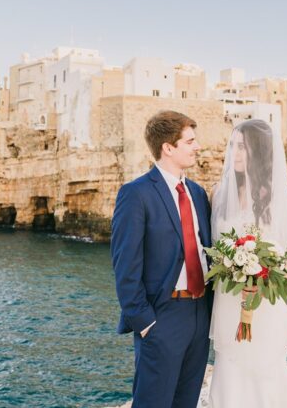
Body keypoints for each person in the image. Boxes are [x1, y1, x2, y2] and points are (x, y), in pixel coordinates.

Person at [208, 119, 287, 407]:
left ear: (259, 150)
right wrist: (233, 268)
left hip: (266, 303)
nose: (235, 154)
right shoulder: (219, 193)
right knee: (230, 367)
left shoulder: (281, 196)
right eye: (232, 146)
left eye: (242, 147)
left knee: (265, 372)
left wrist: (267, 279)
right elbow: (215, 250)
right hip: (230, 301)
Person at [111, 110, 213, 408]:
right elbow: (125, 266)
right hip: (162, 316)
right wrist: (145, 323)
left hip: (200, 313)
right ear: (168, 147)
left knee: (187, 402)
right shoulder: (135, 193)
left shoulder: (197, 192)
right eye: (190, 141)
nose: (197, 147)